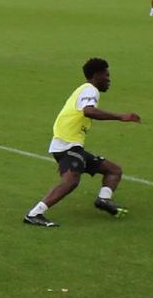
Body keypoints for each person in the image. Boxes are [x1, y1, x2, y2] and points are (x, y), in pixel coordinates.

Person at [24, 57, 139, 226]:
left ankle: (103, 200)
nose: (109, 80)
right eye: (106, 75)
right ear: (96, 75)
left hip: (71, 145)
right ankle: (34, 213)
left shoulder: (86, 90)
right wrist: (121, 116)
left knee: (114, 171)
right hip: (66, 144)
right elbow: (89, 111)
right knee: (72, 181)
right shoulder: (89, 90)